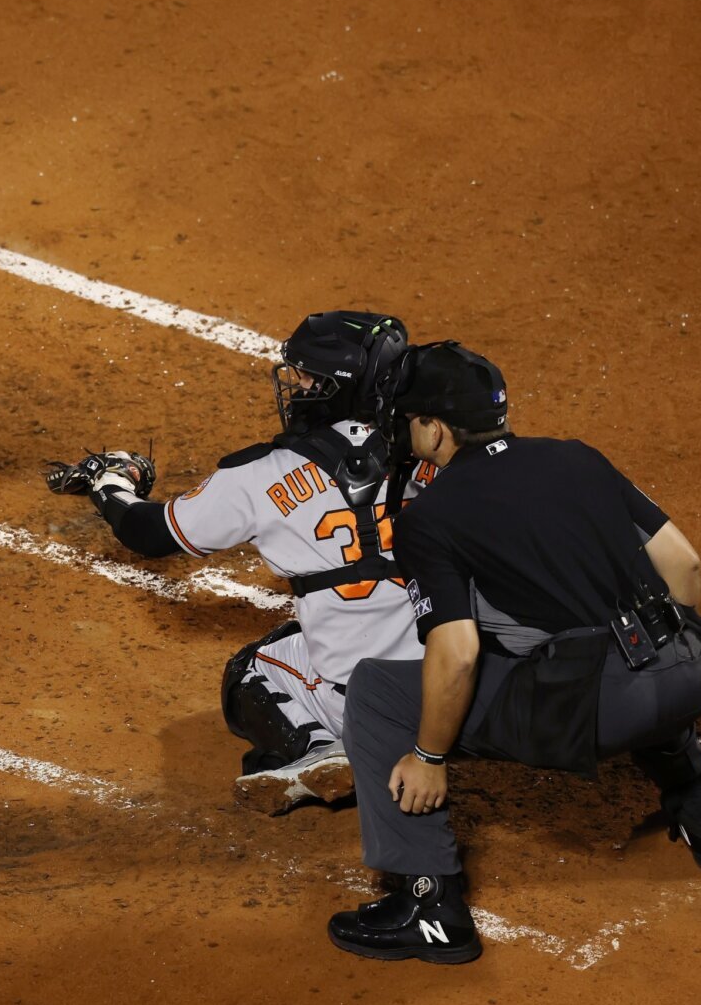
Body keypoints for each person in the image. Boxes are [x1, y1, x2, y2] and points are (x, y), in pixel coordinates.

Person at [326, 342, 701, 964]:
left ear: (435, 428)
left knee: (375, 691)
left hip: (600, 709)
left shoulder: (434, 514)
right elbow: (683, 564)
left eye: (409, 418)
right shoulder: (577, 457)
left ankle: (430, 906)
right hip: (691, 672)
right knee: (621, 629)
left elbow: (459, 651)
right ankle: (700, 803)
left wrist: (427, 756)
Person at [45, 312, 435, 813]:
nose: (297, 386)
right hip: (457, 682)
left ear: (334, 387)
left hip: (370, 701)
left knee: (254, 668)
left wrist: (110, 485)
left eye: (308, 377)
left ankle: (320, 746)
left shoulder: (260, 475)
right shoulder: (437, 451)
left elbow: (148, 532)